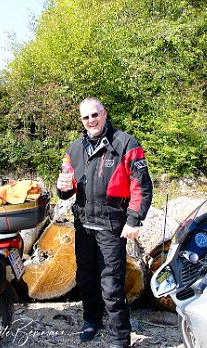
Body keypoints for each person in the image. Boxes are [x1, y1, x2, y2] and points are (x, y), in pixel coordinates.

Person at [57, 97, 153, 348]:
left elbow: (141, 185)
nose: (91, 120)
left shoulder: (125, 142)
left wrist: (134, 219)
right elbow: (68, 188)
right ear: (81, 120)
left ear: (104, 113)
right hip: (83, 225)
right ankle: (91, 321)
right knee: (86, 278)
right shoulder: (74, 148)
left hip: (112, 226)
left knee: (111, 284)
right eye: (85, 117)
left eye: (94, 115)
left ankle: (119, 337)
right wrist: (63, 188)